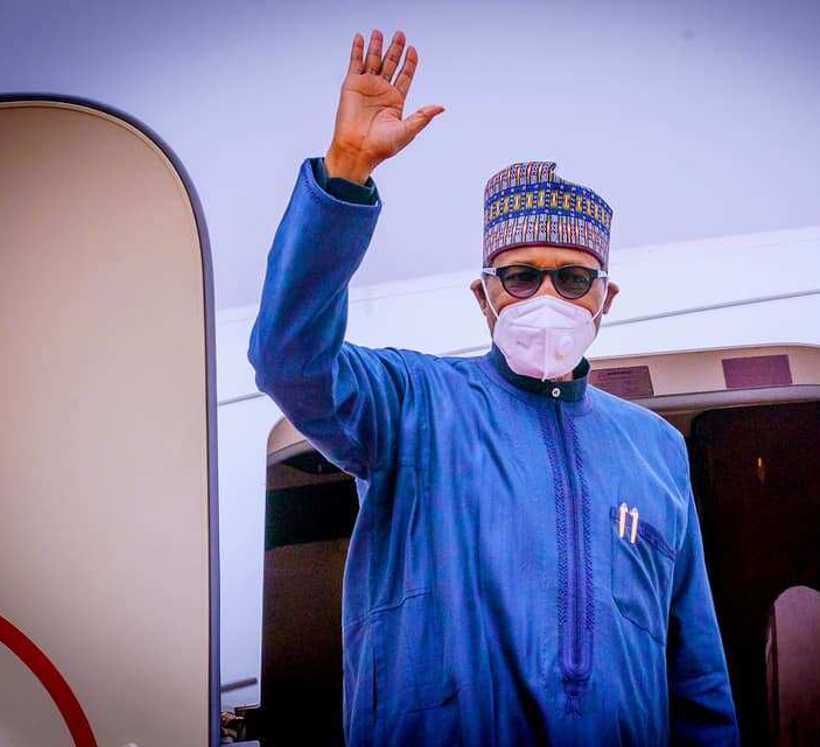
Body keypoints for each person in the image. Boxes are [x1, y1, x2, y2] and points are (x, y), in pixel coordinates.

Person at [248, 27, 738, 746]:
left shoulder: (656, 453)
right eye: (520, 275)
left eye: (573, 278)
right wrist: (346, 170)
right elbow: (288, 355)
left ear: (607, 298)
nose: (547, 294)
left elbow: (697, 680)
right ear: (485, 297)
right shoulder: (412, 406)